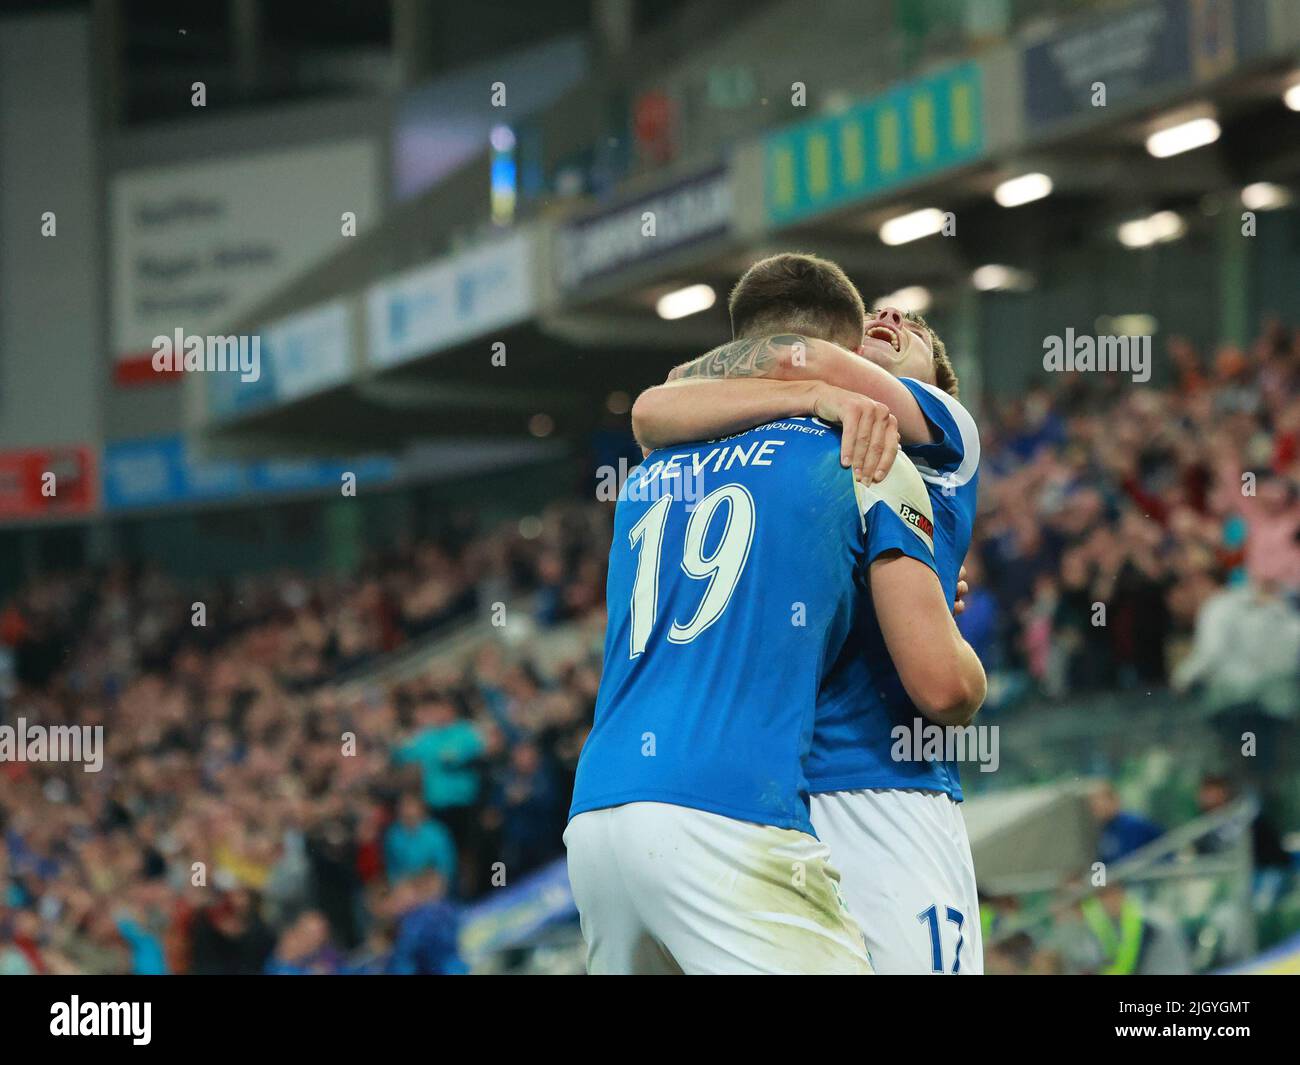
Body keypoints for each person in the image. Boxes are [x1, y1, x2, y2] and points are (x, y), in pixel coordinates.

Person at [566, 252, 986, 974]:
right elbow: (942, 685)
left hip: (636, 799)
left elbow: (658, 404)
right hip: (836, 793)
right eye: (876, 318)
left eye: (913, 327)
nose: (891, 317)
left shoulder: (933, 434)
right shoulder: (858, 459)